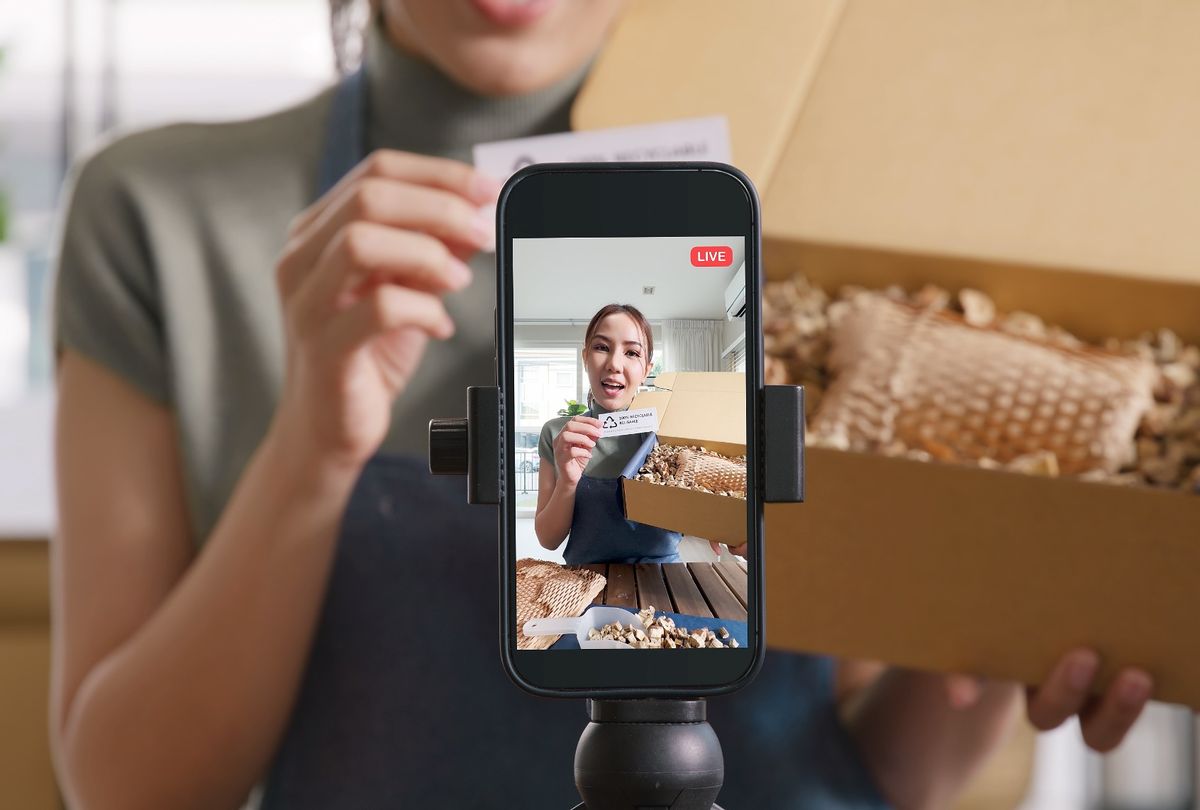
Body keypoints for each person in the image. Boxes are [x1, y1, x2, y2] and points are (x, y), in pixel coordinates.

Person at [48, 1, 1155, 808]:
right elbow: (131, 787)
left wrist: (1025, 611)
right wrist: (311, 446)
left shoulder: (838, 205)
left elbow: (882, 765)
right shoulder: (155, 215)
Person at [535, 303, 693, 565]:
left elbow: (700, 517)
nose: (614, 364)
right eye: (601, 347)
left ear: (646, 370)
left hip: (666, 582)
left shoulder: (671, 432)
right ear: (585, 357)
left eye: (632, 353)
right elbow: (548, 539)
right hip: (582, 585)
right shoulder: (558, 434)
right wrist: (568, 480)